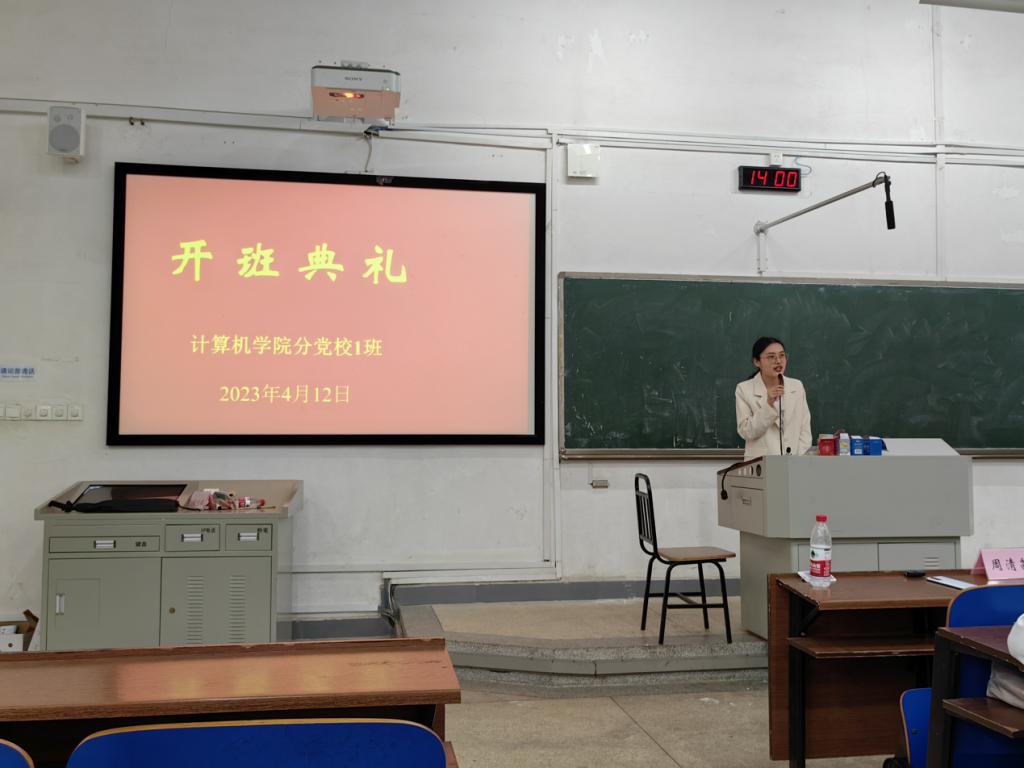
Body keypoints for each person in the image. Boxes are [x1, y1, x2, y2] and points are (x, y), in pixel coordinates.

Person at [735, 336, 811, 459]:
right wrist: (768, 405)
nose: (778, 361)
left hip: (794, 462)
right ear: (757, 362)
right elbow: (747, 432)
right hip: (761, 463)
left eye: (782, 355)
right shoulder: (744, 389)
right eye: (771, 357)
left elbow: (805, 430)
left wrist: (796, 459)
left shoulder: (796, 386)